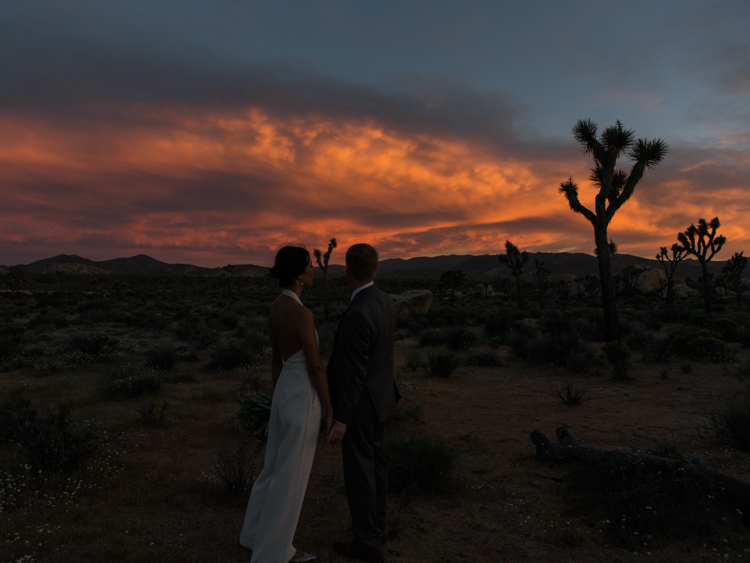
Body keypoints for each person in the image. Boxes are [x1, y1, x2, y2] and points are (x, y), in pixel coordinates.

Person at [240, 246, 334, 563]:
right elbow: (316, 366)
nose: (313, 270)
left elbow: (275, 356)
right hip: (302, 396)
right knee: (291, 477)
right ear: (298, 274)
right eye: (309, 265)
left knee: (273, 468)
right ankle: (276, 552)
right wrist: (329, 408)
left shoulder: (276, 307)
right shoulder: (302, 314)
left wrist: (276, 393)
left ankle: (253, 535)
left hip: (283, 392)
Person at [326, 244, 397, 563]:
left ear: (348, 271)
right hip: (380, 401)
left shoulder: (358, 313)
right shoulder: (385, 302)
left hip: (360, 408)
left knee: (359, 474)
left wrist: (341, 418)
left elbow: (354, 373)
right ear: (375, 269)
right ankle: (376, 528)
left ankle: (367, 541)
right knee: (376, 469)